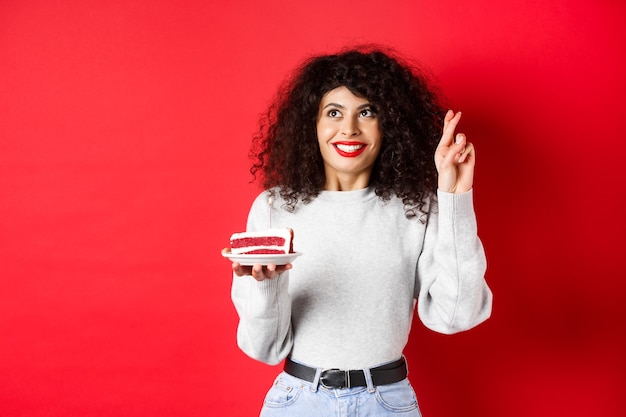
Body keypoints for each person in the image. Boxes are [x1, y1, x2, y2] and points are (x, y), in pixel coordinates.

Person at [228, 46, 493, 416]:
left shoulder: (415, 207)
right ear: (313, 125)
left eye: (366, 112)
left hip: (387, 403)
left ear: (389, 124)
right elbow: (264, 348)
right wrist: (267, 283)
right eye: (333, 113)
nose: (349, 128)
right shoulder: (274, 209)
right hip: (298, 401)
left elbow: (455, 316)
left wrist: (454, 196)